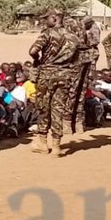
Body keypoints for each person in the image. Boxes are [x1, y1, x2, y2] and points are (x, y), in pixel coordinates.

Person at [28, 9, 78, 155]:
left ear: (55, 18)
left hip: (47, 74)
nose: (45, 21)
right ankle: (56, 146)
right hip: (64, 75)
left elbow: (33, 51)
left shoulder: (47, 33)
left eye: (47, 18)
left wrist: (38, 59)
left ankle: (42, 143)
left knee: (43, 107)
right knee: (58, 109)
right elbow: (76, 59)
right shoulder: (73, 37)